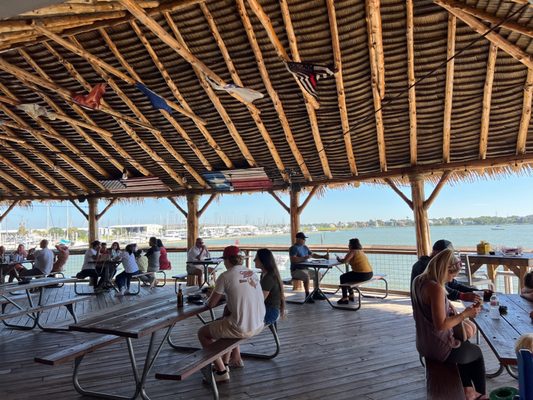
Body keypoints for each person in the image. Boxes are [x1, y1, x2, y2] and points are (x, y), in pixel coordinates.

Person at [411, 248, 487, 400]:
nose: (452, 280)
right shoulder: (435, 288)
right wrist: (466, 314)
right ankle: (481, 396)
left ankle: (468, 390)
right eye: (452, 275)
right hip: (438, 347)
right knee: (476, 353)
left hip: (423, 343)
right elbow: (441, 325)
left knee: (465, 346)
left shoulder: (418, 280)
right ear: (444, 269)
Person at [197, 246, 265, 382]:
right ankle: (226, 363)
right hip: (259, 323)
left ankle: (221, 371)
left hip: (242, 327)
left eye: (224, 260)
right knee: (224, 321)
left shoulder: (225, 276)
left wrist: (211, 296)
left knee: (202, 333)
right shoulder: (252, 273)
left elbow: (210, 304)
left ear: (227, 260)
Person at [411, 239, 481, 303]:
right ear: (435, 252)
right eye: (445, 255)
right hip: (425, 306)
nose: (447, 258)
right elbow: (440, 289)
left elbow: (454, 284)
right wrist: (461, 296)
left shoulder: (437, 266)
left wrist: (477, 292)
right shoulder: (425, 266)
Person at [289, 232, 328, 303]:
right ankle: (307, 295)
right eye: (303, 239)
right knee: (306, 276)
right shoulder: (293, 248)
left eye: (304, 239)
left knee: (318, 274)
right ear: (297, 239)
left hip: (305, 269)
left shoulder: (305, 247)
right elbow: (293, 260)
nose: (304, 240)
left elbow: (312, 255)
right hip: (296, 271)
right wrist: (304, 258)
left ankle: (316, 293)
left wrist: (323, 256)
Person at [336, 238, 373, 305]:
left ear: (351, 245)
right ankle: (351, 295)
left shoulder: (353, 251)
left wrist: (339, 259)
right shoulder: (360, 251)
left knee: (343, 277)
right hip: (369, 274)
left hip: (362, 274)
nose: (348, 245)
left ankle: (345, 298)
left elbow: (345, 261)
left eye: (349, 244)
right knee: (347, 277)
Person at [255, 248, 285, 325]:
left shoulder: (268, 277)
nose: (254, 260)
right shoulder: (265, 274)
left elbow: (260, 299)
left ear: (263, 261)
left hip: (270, 312)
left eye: (256, 258)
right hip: (271, 309)